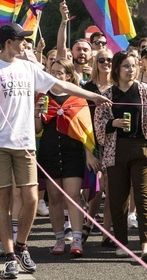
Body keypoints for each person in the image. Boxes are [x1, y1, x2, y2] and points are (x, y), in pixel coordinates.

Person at [0, 23, 109, 280]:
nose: (25, 43)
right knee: (2, 199)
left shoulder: (28, 68)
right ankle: (10, 255)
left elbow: (60, 85)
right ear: (8, 42)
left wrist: (92, 97)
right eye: (21, 39)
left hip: (25, 143)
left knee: (32, 198)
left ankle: (21, 246)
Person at [93, 50, 147, 262]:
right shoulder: (108, 94)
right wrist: (113, 123)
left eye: (133, 66)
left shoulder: (144, 90)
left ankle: (145, 245)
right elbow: (99, 125)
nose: (130, 70)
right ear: (117, 69)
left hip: (142, 148)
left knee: (144, 196)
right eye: (126, 66)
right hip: (116, 149)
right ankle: (121, 242)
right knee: (118, 198)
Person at [37, 59, 100, 257]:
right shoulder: (43, 96)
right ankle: (58, 239)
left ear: (69, 75)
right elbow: (38, 129)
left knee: (73, 195)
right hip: (49, 151)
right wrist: (37, 112)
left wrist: (89, 154)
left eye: (60, 73)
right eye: (53, 72)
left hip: (73, 152)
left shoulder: (78, 98)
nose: (56, 76)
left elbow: (85, 130)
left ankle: (77, 238)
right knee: (54, 198)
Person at [82, 47, 114, 242]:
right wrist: (87, 153)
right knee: (97, 187)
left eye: (109, 60)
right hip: (92, 142)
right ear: (96, 63)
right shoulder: (87, 88)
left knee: (111, 187)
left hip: (113, 140)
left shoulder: (118, 87)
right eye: (101, 60)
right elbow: (82, 121)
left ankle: (107, 232)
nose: (106, 64)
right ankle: (88, 222)